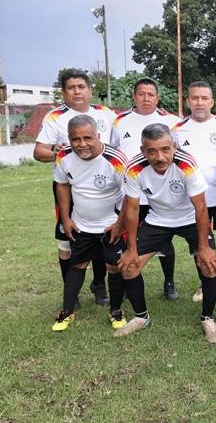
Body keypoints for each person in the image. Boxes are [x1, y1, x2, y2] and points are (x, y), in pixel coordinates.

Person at [116, 124, 216, 341]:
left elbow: (201, 207)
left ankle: (207, 318)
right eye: (152, 151)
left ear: (174, 146)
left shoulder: (186, 164)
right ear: (143, 150)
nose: (160, 157)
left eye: (165, 149)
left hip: (189, 218)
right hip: (157, 219)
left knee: (209, 264)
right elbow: (132, 209)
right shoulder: (134, 168)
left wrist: (203, 248)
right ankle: (141, 317)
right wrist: (131, 249)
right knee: (129, 266)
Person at [34, 68, 119, 306]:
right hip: (70, 185)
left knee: (102, 235)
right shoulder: (55, 117)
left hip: (104, 185)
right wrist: (60, 154)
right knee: (67, 240)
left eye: (81, 87)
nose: (77, 92)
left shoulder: (106, 114)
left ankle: (99, 284)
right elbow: (39, 151)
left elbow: (117, 147)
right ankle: (71, 292)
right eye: (71, 88)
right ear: (64, 93)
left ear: (90, 91)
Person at [51, 115, 127, 332]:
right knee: (77, 265)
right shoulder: (64, 156)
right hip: (80, 225)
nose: (82, 144)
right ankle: (66, 311)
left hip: (110, 225)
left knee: (114, 267)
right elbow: (62, 185)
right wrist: (66, 218)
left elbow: (131, 195)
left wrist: (119, 224)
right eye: (76, 139)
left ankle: (116, 310)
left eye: (87, 138)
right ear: (69, 139)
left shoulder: (116, 160)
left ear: (98, 136)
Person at [113, 77, 181, 300]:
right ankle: (128, 281)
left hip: (161, 191)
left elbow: (177, 154)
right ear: (134, 96)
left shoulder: (172, 121)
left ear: (157, 97)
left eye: (151, 94)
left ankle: (169, 282)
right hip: (131, 191)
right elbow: (113, 152)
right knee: (129, 237)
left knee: (164, 238)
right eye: (141, 94)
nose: (146, 98)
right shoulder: (120, 121)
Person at [172, 81, 216, 303]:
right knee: (200, 244)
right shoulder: (177, 130)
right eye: (194, 98)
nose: (199, 102)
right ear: (187, 101)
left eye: (204, 98)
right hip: (194, 200)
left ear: (212, 102)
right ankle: (204, 283)